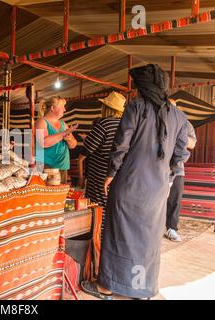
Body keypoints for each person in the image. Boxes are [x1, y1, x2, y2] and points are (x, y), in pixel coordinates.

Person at [81, 64, 190, 300]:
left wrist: (111, 173)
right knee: (148, 238)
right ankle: (141, 289)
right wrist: (167, 177)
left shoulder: (135, 108)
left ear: (143, 88)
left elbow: (121, 145)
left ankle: (107, 287)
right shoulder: (179, 116)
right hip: (158, 189)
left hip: (129, 184)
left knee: (118, 233)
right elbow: (181, 155)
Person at [77, 92, 126, 231]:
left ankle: (98, 239)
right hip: (118, 174)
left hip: (99, 175)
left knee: (98, 207)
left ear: (106, 108)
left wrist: (81, 177)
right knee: (113, 207)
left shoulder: (104, 124)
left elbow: (85, 152)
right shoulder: (126, 125)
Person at [165, 116, 197, 242]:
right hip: (157, 166)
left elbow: (192, 144)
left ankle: (171, 228)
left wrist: (177, 133)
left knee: (175, 199)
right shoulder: (157, 119)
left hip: (177, 168)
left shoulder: (185, 122)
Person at [35, 96, 78, 184]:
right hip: (46, 167)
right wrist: (63, 134)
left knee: (60, 195)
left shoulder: (63, 124)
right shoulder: (41, 122)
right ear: (52, 108)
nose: (65, 109)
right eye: (62, 107)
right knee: (48, 196)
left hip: (62, 166)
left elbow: (73, 145)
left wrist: (69, 139)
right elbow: (43, 143)